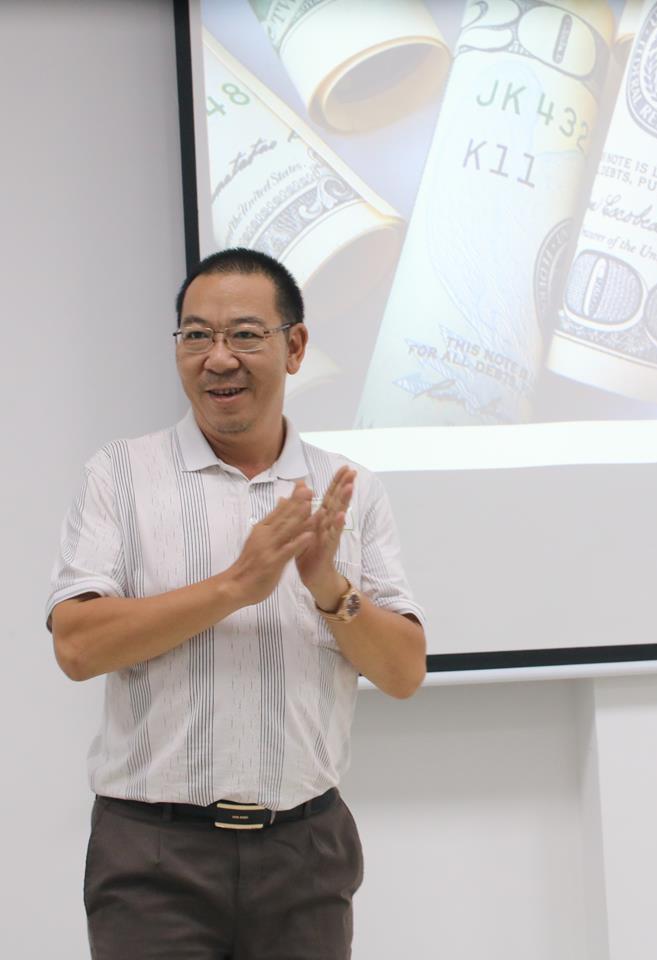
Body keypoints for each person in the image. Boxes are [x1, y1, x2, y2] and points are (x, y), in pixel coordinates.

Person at [45, 247, 426, 959]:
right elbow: (77, 645)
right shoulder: (119, 476)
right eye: (197, 335)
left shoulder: (350, 489)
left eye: (245, 335)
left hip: (304, 850)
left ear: (295, 347)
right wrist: (234, 588)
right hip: (153, 856)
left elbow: (404, 672)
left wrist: (328, 587)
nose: (218, 358)